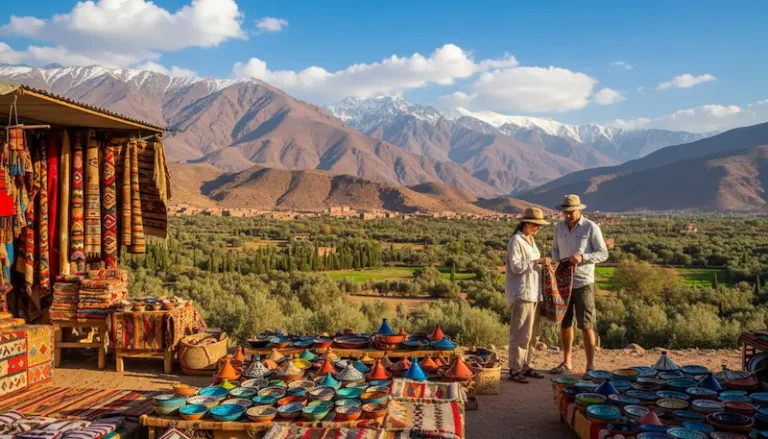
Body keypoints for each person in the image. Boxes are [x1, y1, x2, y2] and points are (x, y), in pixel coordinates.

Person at [549, 194, 608, 377]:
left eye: (571, 212)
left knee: (586, 324)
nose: (567, 215)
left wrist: (583, 258)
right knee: (565, 323)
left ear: (579, 210)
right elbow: (555, 249)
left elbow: (603, 253)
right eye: (565, 212)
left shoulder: (591, 227)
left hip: (583, 283)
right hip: (563, 282)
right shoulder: (559, 227)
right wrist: (555, 264)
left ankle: (590, 367)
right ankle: (566, 362)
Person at [505, 207, 550, 383]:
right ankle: (515, 368)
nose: (538, 228)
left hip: (534, 292)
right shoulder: (516, 241)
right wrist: (537, 261)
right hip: (522, 292)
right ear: (526, 223)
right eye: (536, 224)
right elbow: (516, 266)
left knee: (533, 333)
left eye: (540, 225)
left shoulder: (530, 240)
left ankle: (525, 364)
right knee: (520, 333)